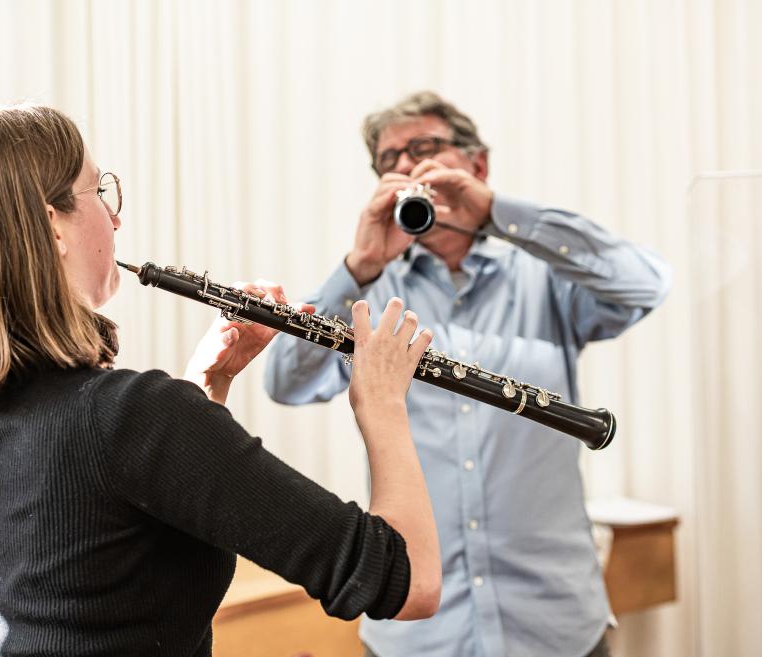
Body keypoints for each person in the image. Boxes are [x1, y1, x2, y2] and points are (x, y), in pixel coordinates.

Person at [0, 104, 442, 657]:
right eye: (99, 192)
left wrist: (206, 387)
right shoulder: (131, 416)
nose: (115, 220)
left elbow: (109, 564)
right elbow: (409, 582)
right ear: (52, 225)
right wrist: (382, 402)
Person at [264, 91, 672, 657]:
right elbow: (287, 381)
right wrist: (359, 266)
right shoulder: (368, 292)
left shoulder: (544, 275)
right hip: (418, 636)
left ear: (477, 165)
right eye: (389, 159)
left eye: (424, 147)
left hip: (556, 627)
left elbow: (645, 284)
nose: (406, 165)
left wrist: (496, 213)